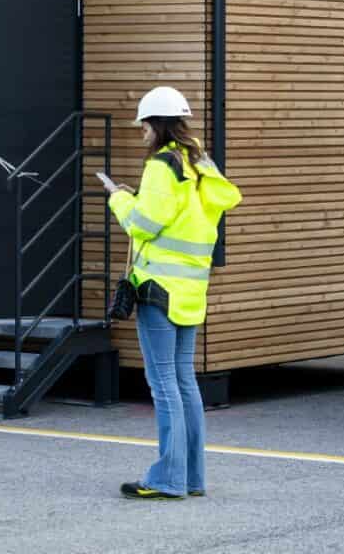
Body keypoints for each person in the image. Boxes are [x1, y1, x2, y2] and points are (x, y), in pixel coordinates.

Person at [103, 86, 241, 499]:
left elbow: (145, 223)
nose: (141, 131)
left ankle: (167, 479)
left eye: (144, 124)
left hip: (158, 290)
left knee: (163, 384)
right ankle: (192, 477)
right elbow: (181, 217)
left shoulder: (163, 167)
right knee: (184, 383)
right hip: (191, 291)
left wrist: (119, 201)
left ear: (157, 124)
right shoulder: (200, 163)